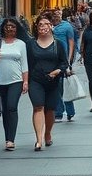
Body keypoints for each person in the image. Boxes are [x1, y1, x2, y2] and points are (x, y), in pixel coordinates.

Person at [26, 13, 68, 150]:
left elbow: (64, 63)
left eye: (45, 24)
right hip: (35, 80)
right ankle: (39, 139)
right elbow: (25, 64)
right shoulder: (30, 44)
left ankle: (48, 133)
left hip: (53, 81)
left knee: (50, 109)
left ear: (51, 26)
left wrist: (57, 71)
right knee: (38, 107)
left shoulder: (58, 44)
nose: (42, 26)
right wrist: (25, 81)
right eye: (40, 24)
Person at [0, 17, 29, 150]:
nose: (9, 28)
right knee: (5, 109)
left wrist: (25, 81)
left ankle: (11, 139)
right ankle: (7, 138)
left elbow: (24, 64)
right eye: (7, 26)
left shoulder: (21, 44)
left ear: (16, 28)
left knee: (12, 107)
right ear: (3, 29)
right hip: (0, 80)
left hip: (16, 80)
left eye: (12, 26)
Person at [51, 8, 77, 122]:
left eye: (58, 14)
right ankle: (59, 112)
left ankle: (69, 111)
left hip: (63, 60)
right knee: (57, 88)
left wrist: (69, 61)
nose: (57, 16)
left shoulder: (67, 27)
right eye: (55, 14)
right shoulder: (48, 26)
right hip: (51, 61)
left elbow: (71, 43)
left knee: (64, 86)